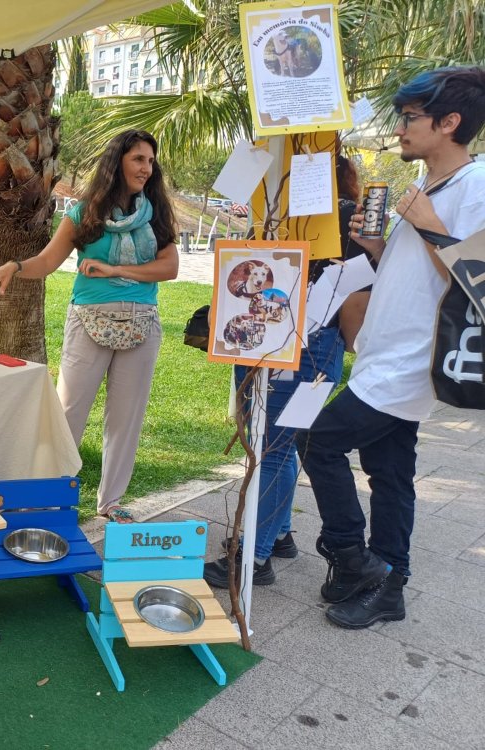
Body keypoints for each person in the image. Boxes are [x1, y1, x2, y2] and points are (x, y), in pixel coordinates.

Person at [296, 66, 485, 628]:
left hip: (411, 362)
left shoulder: (474, 186)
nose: (400, 128)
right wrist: (380, 249)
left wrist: (429, 229)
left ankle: (352, 559)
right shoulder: (429, 185)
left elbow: (475, 278)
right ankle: (390, 584)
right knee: (391, 472)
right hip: (385, 354)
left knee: (319, 441)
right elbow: (420, 278)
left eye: (410, 118)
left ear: (449, 123)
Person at [0, 129, 179, 523]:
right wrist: (15, 268)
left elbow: (169, 268)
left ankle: (111, 502)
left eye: (151, 161)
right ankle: (49, 495)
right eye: (138, 159)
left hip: (141, 325)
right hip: (88, 321)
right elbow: (47, 262)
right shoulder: (84, 213)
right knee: (68, 411)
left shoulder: (158, 214)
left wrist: (117, 269)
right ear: (117, 161)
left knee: (126, 417)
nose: (146, 168)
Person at [203, 154, 366, 588]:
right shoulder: (285, 216)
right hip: (283, 344)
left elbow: (356, 297)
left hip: (297, 348)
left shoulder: (339, 220)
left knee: (271, 446)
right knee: (281, 443)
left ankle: (252, 557)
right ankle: (277, 535)